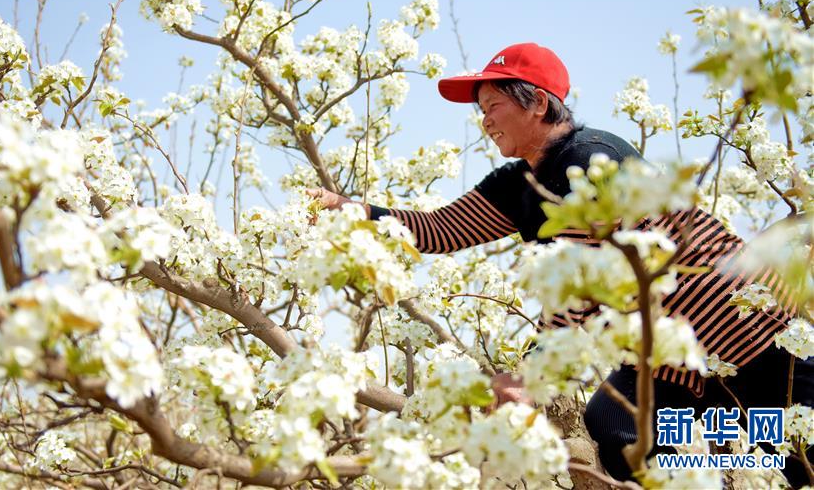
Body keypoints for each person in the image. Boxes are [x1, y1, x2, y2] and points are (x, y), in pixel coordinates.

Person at [309, 42, 813, 487]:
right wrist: (352, 212)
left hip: (750, 329)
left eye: (494, 105)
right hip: (669, 357)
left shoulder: (591, 158)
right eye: (481, 110)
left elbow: (581, 275)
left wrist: (531, 376)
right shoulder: (519, 184)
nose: (484, 120)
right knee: (616, 431)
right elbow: (438, 229)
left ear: (539, 103)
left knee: (799, 452)